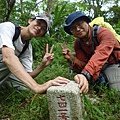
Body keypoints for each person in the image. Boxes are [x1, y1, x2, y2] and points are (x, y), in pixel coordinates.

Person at [0, 14, 70, 94]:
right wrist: (37, 87)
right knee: (10, 62)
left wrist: (42, 65)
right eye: (38, 23)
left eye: (43, 28)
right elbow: (8, 58)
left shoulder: (27, 47)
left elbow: (28, 75)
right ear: (30, 21)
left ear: (41, 35)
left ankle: (5, 85)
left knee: (26, 85)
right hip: (5, 60)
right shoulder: (8, 27)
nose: (39, 28)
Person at [60, 11, 120, 94]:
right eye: (73, 28)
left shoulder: (104, 33)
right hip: (96, 66)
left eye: (80, 24)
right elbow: (84, 64)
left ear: (87, 22)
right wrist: (72, 58)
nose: (78, 29)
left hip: (113, 63)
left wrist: (85, 74)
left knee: (116, 92)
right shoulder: (78, 43)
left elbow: (101, 54)